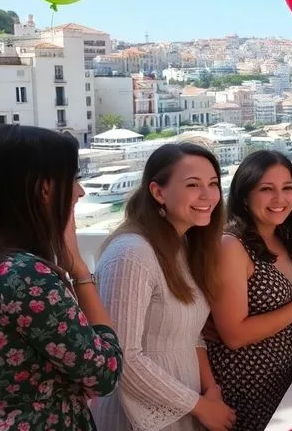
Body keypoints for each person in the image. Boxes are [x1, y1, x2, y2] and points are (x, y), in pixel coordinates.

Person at [0, 124, 122, 430]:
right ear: (44, 189)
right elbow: (104, 371)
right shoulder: (26, 277)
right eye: (73, 179)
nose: (79, 191)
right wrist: (80, 271)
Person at [92, 143, 236, 431]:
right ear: (158, 192)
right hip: (137, 415)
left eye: (213, 184)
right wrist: (201, 406)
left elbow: (191, 335)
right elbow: (123, 358)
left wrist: (211, 393)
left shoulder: (182, 247)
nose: (208, 195)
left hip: (183, 406)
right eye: (193, 184)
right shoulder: (132, 253)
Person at [207, 150, 292, 430]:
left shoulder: (281, 237)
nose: (280, 199)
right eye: (267, 189)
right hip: (246, 387)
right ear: (244, 195)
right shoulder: (232, 246)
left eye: (287, 188)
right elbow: (234, 335)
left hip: (284, 380)